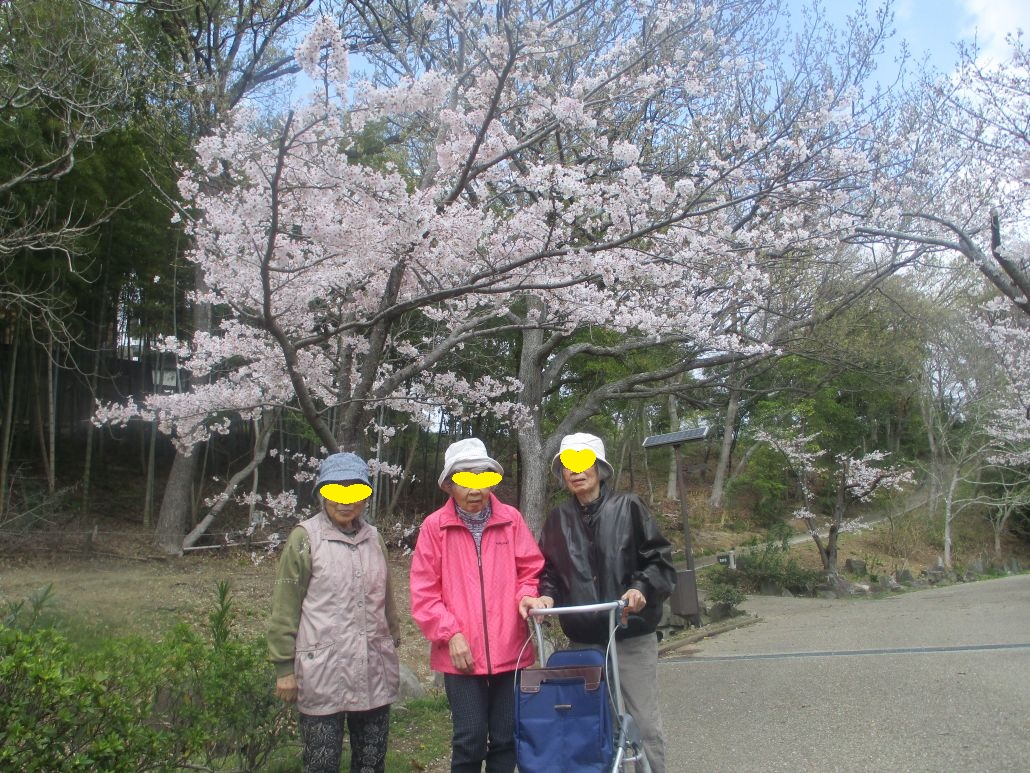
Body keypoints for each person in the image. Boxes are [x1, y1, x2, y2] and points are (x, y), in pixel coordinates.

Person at [536, 432, 676, 773]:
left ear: (599, 468)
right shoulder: (557, 519)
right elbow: (549, 571)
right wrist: (546, 595)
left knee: (644, 724)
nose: (576, 472)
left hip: (630, 634)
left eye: (583, 463)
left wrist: (641, 588)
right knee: (598, 726)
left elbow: (659, 561)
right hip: (584, 641)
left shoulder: (629, 506)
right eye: (568, 465)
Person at [409, 437, 548, 773]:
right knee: (469, 740)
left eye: (482, 479)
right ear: (448, 485)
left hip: (510, 647)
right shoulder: (434, 527)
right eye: (464, 480)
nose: (475, 490)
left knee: (506, 739)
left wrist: (526, 595)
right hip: (461, 653)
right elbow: (424, 592)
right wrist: (450, 634)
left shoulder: (511, 519)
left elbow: (529, 570)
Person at [268, 452, 401, 773]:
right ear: (322, 494)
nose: (345, 501)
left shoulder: (374, 538)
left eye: (354, 491)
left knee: (371, 762)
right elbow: (286, 604)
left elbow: (386, 597)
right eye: (335, 491)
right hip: (323, 670)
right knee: (321, 762)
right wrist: (284, 667)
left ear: (365, 496)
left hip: (372, 665)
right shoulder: (304, 538)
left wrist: (393, 639)